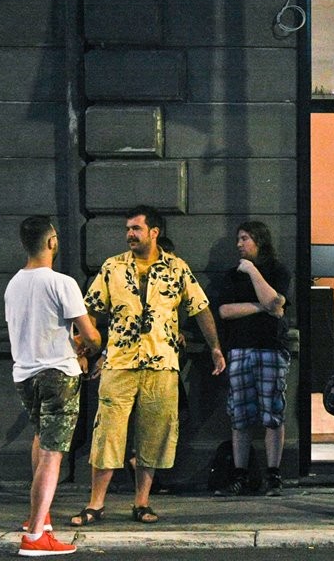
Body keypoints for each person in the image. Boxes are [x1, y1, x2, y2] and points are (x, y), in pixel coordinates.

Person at [72, 205, 226, 526]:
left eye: (136, 228)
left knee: (153, 436)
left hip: (161, 364)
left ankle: (142, 502)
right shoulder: (113, 267)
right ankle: (95, 504)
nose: (130, 234)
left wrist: (215, 348)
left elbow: (200, 307)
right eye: (128, 229)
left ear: (154, 232)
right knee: (107, 434)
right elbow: (91, 311)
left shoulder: (177, 268)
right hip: (119, 363)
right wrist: (83, 348)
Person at [6, 216, 102, 556]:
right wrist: (89, 345)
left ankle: (40, 518)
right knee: (52, 453)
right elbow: (90, 335)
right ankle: (35, 537)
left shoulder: (13, 285)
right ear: (52, 242)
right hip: (58, 375)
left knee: (41, 439)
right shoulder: (62, 283)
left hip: (25, 375)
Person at [216, 221, 292, 497]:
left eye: (245, 238)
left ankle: (274, 475)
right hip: (239, 349)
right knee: (240, 415)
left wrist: (252, 271)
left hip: (270, 348)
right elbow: (225, 311)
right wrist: (263, 307)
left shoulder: (277, 271)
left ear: (259, 240)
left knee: (273, 413)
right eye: (238, 238)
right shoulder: (231, 275)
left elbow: (275, 302)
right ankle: (240, 474)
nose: (239, 244)